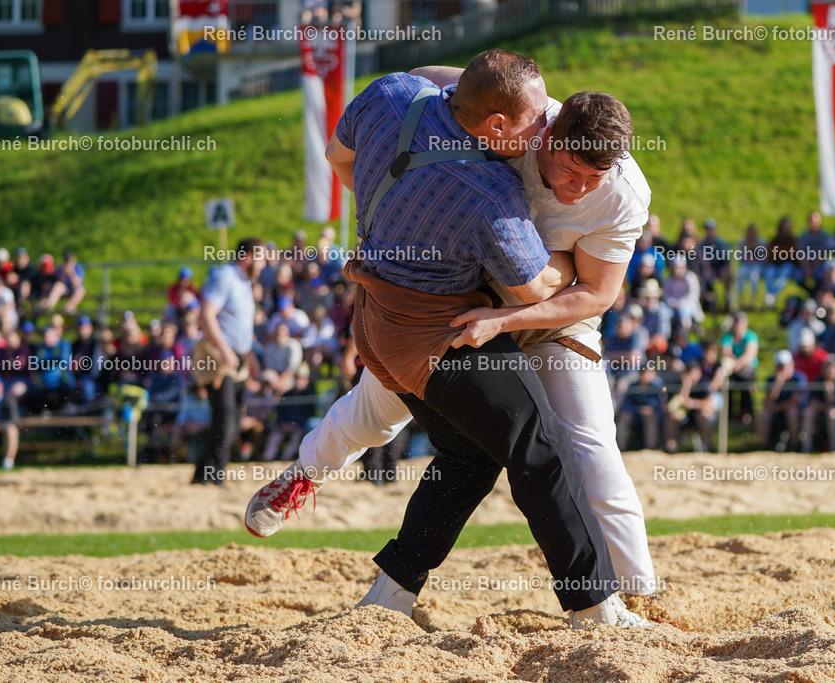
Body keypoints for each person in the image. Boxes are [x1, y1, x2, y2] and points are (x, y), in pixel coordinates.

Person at [248, 53, 650, 627]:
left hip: (516, 319)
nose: (578, 186)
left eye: (594, 178)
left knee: (585, 448)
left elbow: (594, 295)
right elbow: (533, 281)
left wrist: (385, 214)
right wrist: (552, 268)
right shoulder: (493, 184)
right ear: (500, 126)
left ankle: (637, 592)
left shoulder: (394, 94)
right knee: (394, 421)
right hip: (448, 320)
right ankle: (594, 605)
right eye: (565, 164)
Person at [191, 237, 267, 485]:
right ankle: (211, 474)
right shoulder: (225, 276)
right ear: (247, 257)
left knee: (232, 422)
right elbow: (206, 314)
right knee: (225, 419)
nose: (264, 263)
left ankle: (207, 472)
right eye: (261, 257)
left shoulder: (244, 283)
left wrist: (250, 358)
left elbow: (241, 327)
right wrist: (224, 350)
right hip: (219, 358)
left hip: (239, 361)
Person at [757, 350, 807, 451]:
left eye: (784, 366)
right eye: (779, 366)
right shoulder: (772, 380)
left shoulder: (797, 378)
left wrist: (777, 407)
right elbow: (767, 402)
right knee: (763, 415)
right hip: (776, 412)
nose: (782, 369)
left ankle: (794, 444)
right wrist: (778, 384)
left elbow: (795, 402)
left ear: (791, 364)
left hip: (791, 411)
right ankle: (765, 445)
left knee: (792, 412)